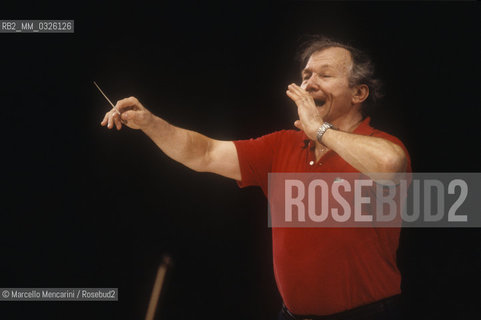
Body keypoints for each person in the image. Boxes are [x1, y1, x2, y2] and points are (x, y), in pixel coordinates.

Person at [101, 36, 410, 320]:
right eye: (306, 76)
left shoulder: (381, 145)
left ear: (359, 92)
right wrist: (150, 123)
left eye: (324, 75)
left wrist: (320, 131)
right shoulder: (281, 145)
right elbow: (204, 153)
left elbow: (390, 164)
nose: (310, 83)